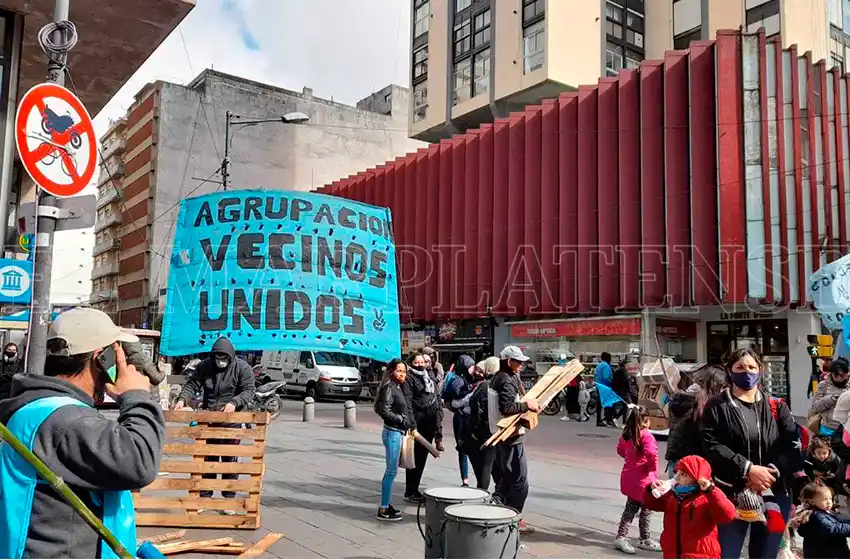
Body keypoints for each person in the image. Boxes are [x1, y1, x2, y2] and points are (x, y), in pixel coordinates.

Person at [0, 308, 164, 558]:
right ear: (101, 359)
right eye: (116, 353)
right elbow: (139, 462)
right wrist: (137, 397)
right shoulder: (66, 421)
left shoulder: (37, 409)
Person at [700, 348, 804, 559]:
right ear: (730, 371)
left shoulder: (777, 406)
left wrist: (768, 474)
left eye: (751, 367)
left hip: (774, 494)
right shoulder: (716, 406)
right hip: (731, 494)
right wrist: (748, 469)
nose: (746, 372)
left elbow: (792, 445)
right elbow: (710, 444)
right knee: (726, 553)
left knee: (765, 554)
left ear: (760, 370)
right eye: (739, 367)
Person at [174, 337, 256, 505]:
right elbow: (192, 384)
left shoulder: (242, 368)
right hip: (209, 419)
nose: (220, 362)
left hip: (232, 421)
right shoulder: (205, 366)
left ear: (230, 357)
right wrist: (182, 399)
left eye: (224, 359)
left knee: (229, 460)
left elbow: (249, 390)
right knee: (208, 461)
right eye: (217, 358)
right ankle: (205, 497)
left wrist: (234, 403)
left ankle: (228, 499)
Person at [644, 455, 736, 559]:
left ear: (697, 478)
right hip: (672, 554)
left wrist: (712, 491)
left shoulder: (706, 498)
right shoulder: (672, 495)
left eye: (683, 474)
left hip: (700, 555)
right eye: (676, 473)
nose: (677, 478)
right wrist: (650, 490)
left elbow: (727, 515)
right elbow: (650, 503)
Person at [492, 346, 540, 535]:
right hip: (510, 436)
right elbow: (506, 407)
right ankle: (514, 519)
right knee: (520, 482)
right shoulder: (505, 379)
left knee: (508, 478)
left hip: (504, 435)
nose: (521, 365)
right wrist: (526, 404)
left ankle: (499, 507)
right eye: (517, 361)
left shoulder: (503, 377)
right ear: (508, 361)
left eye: (521, 361)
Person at [614, 405, 661, 554]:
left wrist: (631, 459)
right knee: (646, 510)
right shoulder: (646, 435)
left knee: (630, 508)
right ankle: (644, 538)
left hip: (629, 476)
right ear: (646, 420)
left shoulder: (626, 434)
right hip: (643, 479)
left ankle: (622, 535)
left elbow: (620, 450)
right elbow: (652, 454)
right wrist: (651, 468)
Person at [665, 366, 727, 478]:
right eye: (723, 388)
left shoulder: (686, 402)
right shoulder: (699, 407)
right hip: (689, 467)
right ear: (715, 387)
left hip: (678, 461)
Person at [374, 358, 415, 521]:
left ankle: (386, 505)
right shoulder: (389, 388)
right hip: (392, 433)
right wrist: (401, 419)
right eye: (399, 371)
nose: (402, 374)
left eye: (404, 371)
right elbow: (384, 410)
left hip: (397, 432)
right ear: (391, 371)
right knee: (391, 471)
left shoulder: (398, 387)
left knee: (392, 471)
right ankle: (383, 508)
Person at [403, 352, 442, 502]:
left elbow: (437, 397)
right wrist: (411, 423)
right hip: (417, 421)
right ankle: (410, 490)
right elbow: (408, 401)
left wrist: (438, 426)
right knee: (414, 457)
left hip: (430, 421)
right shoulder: (409, 378)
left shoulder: (429, 376)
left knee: (422, 457)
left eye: (424, 361)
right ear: (411, 362)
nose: (421, 364)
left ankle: (415, 487)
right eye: (417, 362)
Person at [467, 356, 501, 490]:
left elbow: (478, 411)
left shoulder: (485, 387)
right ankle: (499, 492)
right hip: (495, 431)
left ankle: (482, 494)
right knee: (493, 466)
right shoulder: (498, 384)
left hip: (484, 433)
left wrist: (475, 432)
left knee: (485, 467)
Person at [793, 482, 850, 558]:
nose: (829, 502)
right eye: (825, 499)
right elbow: (834, 529)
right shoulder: (816, 517)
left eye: (830, 498)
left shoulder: (820, 513)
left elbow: (838, 523)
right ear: (812, 501)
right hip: (827, 554)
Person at [444, 355, 476, 487]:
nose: (473, 369)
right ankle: (465, 480)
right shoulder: (459, 380)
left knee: (469, 450)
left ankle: (468, 479)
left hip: (467, 418)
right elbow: (451, 400)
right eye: (471, 366)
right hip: (461, 419)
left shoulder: (472, 378)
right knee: (462, 449)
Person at [809, 357, 850, 437]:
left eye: (842, 375)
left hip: (845, 430)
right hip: (827, 429)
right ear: (832, 373)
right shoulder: (823, 385)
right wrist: (832, 399)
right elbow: (815, 407)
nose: (839, 378)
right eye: (836, 375)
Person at [422, 351, 445, 452]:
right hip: (425, 402)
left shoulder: (436, 366)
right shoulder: (419, 371)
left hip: (436, 396)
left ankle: (438, 441)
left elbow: (439, 377)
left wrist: (434, 377)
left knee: (438, 422)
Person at [595, 352, 617, 427]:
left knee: (599, 404)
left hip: (599, 385)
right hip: (605, 386)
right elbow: (606, 377)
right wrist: (612, 382)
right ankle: (608, 419)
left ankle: (599, 420)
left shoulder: (599, 365)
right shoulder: (606, 366)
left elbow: (596, 375)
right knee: (608, 403)